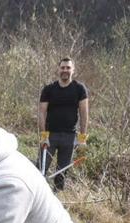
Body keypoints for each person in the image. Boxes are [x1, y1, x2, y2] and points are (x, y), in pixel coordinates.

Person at [38, 57, 89, 191]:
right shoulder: (49, 89)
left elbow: (84, 113)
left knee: (61, 173)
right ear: (58, 69)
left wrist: (82, 138)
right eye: (62, 68)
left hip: (69, 136)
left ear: (73, 70)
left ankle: (56, 201)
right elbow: (42, 112)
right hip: (50, 135)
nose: (65, 70)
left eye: (68, 68)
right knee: (40, 170)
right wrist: (44, 136)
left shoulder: (79, 89)